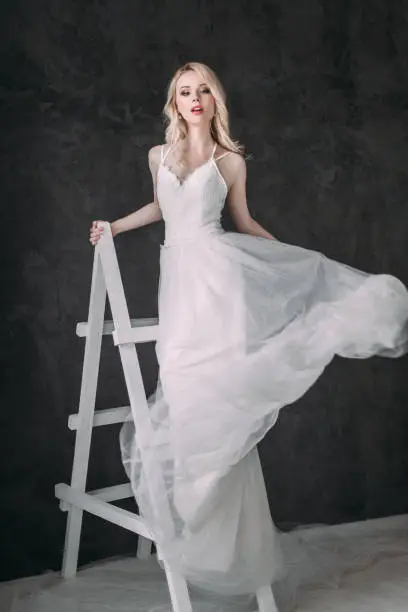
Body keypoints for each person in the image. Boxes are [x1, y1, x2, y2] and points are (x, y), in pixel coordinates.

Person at [89, 62, 408, 607]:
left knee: (224, 397)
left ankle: (222, 542)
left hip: (221, 288)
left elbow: (242, 219)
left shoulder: (229, 161)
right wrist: (114, 227)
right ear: (175, 102)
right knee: (185, 393)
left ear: (215, 100)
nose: (194, 99)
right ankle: (196, 525)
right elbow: (163, 209)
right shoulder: (157, 156)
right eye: (184, 92)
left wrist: (294, 257)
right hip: (179, 287)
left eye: (203, 90)